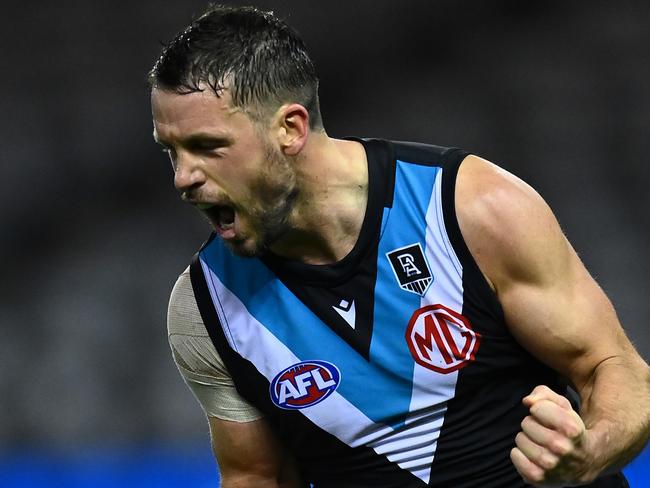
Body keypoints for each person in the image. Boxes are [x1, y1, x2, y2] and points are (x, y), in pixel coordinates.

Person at [149, 5, 649, 487]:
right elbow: (259, 478)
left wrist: (588, 452)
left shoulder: (472, 209)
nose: (183, 178)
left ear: (290, 128)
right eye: (171, 151)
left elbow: (617, 370)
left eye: (207, 147)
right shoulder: (206, 307)